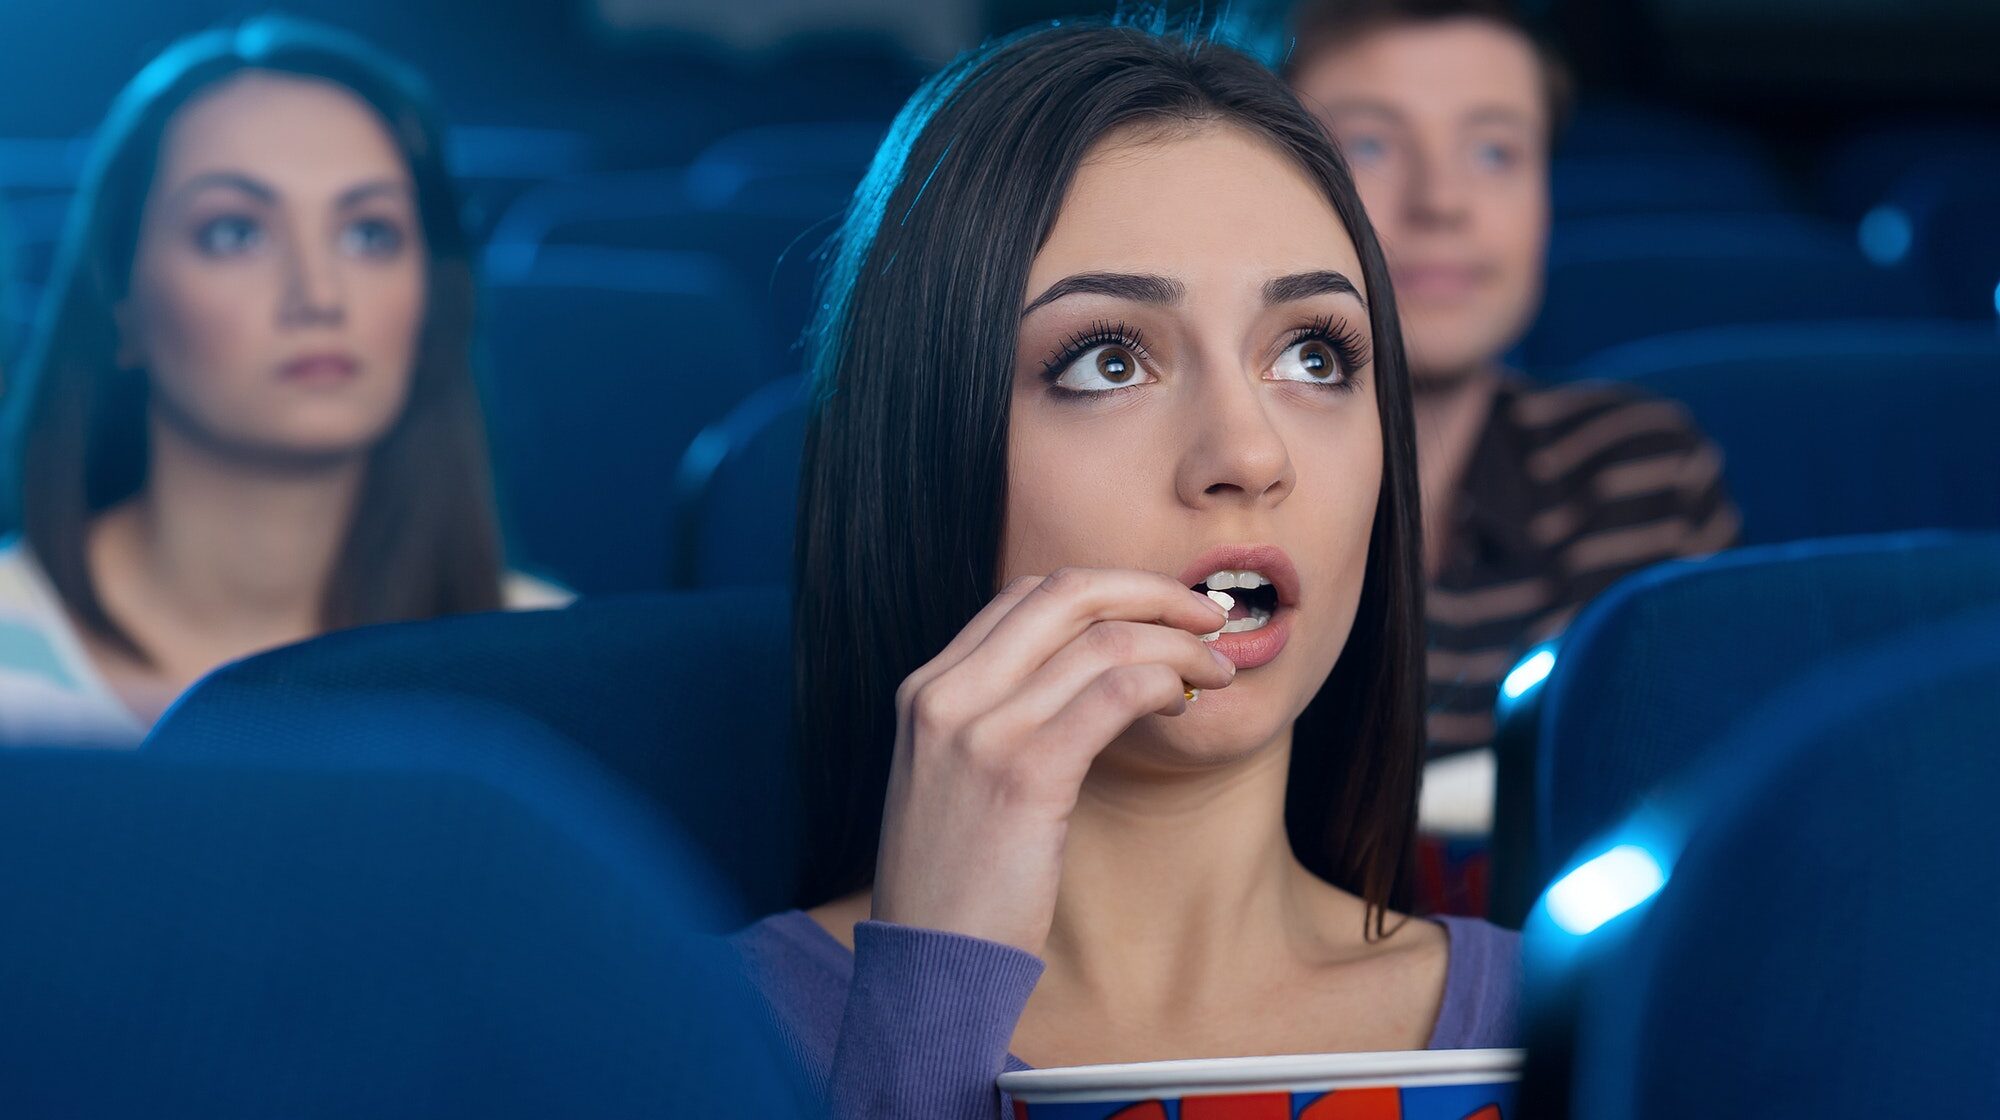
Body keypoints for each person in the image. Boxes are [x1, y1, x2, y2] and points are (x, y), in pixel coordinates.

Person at [729, 19, 1518, 1119]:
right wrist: (932, 990)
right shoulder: (690, 1029)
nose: (1248, 454)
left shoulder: (1585, 1017)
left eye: (1311, 354)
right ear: (922, 447)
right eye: (1109, 360)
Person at [0, 17, 565, 746]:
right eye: (234, 231)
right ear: (123, 304)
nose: (319, 294)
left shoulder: (555, 664)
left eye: (370, 233)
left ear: (431, 300)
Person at [1286, 0, 1739, 844]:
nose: (1443, 203)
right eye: (1371, 146)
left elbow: (1677, 796)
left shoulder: (1636, 466)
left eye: (1496, 150)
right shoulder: (1196, 479)